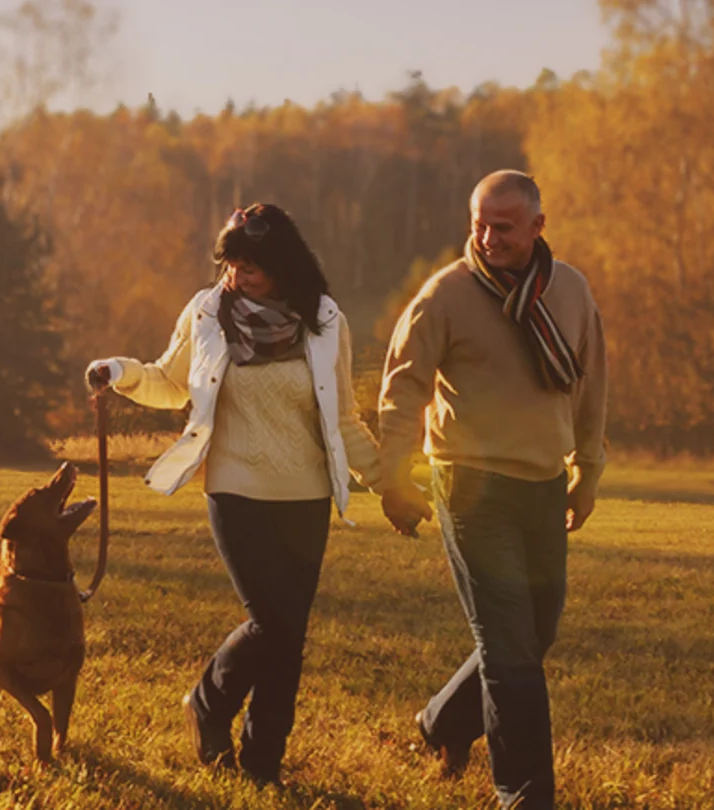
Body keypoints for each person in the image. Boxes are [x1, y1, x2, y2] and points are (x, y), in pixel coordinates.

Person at [84, 203, 386, 785]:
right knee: (272, 621)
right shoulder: (206, 313)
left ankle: (263, 761)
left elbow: (344, 418)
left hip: (306, 498)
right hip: (234, 488)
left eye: (251, 266)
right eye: (230, 263)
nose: (236, 275)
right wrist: (118, 372)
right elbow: (171, 383)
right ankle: (208, 703)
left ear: (283, 265)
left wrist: (389, 485)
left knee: (290, 635)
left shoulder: (324, 320)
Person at [375, 170, 608, 810]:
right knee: (509, 650)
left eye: (503, 225)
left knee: (536, 633)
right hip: (468, 484)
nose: (487, 236)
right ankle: (524, 793)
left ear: (537, 226)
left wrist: (588, 468)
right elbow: (402, 389)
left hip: (543, 481)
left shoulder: (571, 291)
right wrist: (393, 477)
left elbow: (591, 387)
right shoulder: (445, 294)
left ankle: (444, 722)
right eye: (479, 222)